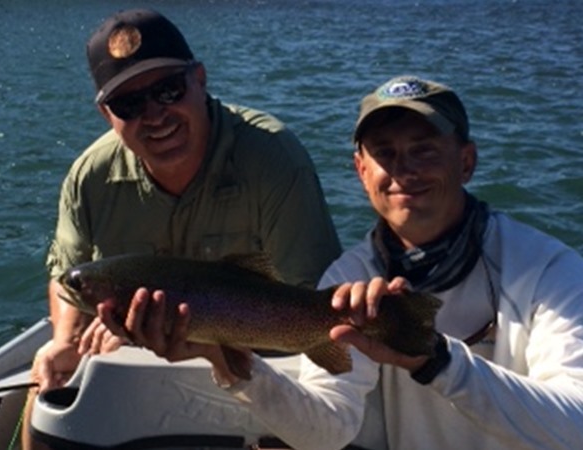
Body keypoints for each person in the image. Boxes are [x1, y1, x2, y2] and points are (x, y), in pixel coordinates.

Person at [107, 75, 583, 450]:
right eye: (385, 154)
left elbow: (577, 427)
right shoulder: (348, 282)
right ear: (360, 171)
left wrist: (435, 360)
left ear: (466, 161)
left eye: (424, 150)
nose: (404, 170)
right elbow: (330, 430)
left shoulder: (546, 270)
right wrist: (226, 359)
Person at [22, 8, 341, 450]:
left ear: (201, 79)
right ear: (105, 114)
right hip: (136, 365)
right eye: (128, 104)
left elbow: (316, 290)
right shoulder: (89, 177)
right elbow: (66, 273)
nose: (154, 115)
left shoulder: (272, 157)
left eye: (168, 90)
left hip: (259, 367)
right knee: (42, 406)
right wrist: (64, 341)